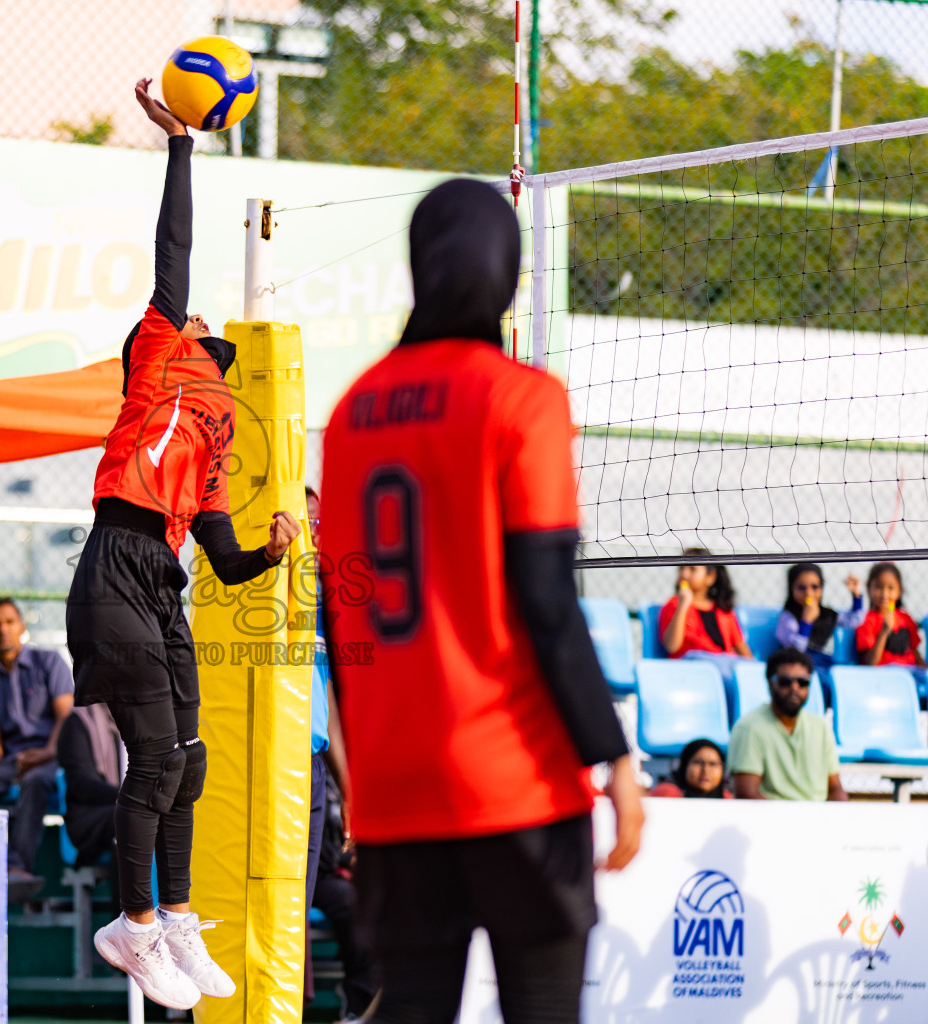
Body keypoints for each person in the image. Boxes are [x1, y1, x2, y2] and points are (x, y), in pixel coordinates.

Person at [319, 178, 642, 1024]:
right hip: (515, 783)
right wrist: (612, 756)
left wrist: (358, 778)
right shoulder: (523, 399)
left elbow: (339, 616)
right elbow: (545, 599)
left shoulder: (350, 415)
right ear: (505, 271)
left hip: (397, 787)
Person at [64, 79, 302, 1011]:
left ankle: (176, 915)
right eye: (191, 314)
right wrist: (180, 146)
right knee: (155, 761)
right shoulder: (158, 357)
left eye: (200, 322)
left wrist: (274, 549)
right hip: (113, 569)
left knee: (190, 758)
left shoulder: (214, 438)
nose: (195, 315)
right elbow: (175, 250)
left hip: (161, 580)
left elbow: (228, 559)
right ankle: (133, 925)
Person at [0, 597, 73, 900]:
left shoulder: (49, 662)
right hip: (13, 761)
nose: (3, 629)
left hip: (53, 756)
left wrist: (48, 753)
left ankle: (18, 867)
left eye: (10, 622)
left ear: (22, 626)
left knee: (36, 781)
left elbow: (67, 716)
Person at [302, 486, 350, 1007]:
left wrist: (349, 786)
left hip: (310, 765)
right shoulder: (251, 588)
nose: (315, 532)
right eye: (306, 521)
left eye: (319, 522)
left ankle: (288, 1007)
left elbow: (329, 705)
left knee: (298, 898)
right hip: (260, 763)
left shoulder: (327, 598)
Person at [727, 648, 847, 802]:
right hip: (770, 822)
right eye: (785, 682)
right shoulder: (749, 728)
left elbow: (835, 787)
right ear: (770, 684)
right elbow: (747, 794)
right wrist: (790, 821)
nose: (794, 688)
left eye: (803, 682)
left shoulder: (821, 727)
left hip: (818, 821)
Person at [310, 773, 376, 1023]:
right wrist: (347, 859)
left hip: (345, 871)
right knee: (351, 902)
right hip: (315, 872)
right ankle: (358, 1006)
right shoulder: (311, 765)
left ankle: (370, 1001)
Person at [57, 701, 122, 906]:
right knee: (128, 818)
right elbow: (81, 784)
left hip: (120, 806)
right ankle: (129, 920)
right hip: (86, 817)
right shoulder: (77, 722)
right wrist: (131, 796)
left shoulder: (130, 723)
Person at [658, 550, 754, 674]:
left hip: (722, 664)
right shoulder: (674, 605)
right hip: (691, 667)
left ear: (711, 577)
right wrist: (683, 605)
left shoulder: (723, 609)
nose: (684, 574)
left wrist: (754, 670)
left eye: (692, 569)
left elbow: (741, 647)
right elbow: (671, 646)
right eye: (681, 568)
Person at [775, 563, 864, 667]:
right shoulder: (788, 617)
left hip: (823, 661)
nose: (808, 593)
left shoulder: (827, 614)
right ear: (791, 589)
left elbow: (854, 621)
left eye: (814, 587)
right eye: (801, 587)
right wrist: (806, 621)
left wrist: (856, 594)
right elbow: (796, 651)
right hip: (796, 664)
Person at [855, 562, 924, 667]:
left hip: (910, 672)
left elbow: (916, 654)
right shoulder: (866, 621)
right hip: (885, 675)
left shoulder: (905, 618)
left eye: (890, 588)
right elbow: (870, 664)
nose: (884, 594)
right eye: (878, 587)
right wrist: (884, 632)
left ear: (899, 591)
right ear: (869, 588)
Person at [648, 738, 731, 799]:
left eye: (713, 764)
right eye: (698, 762)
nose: (705, 771)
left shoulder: (726, 798)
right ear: (685, 766)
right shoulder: (667, 793)